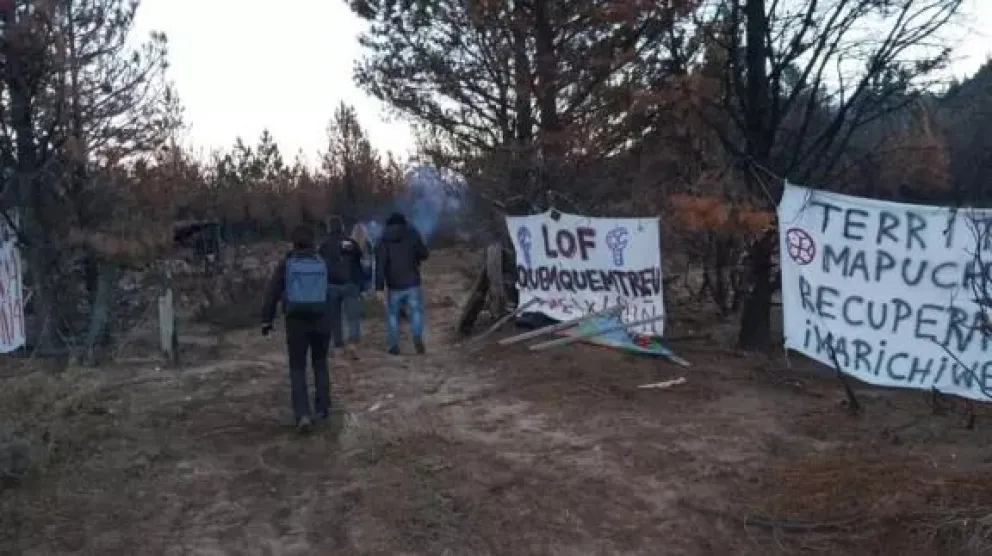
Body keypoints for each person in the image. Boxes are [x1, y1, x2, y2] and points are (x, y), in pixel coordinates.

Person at [261, 224, 331, 432]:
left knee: (298, 368)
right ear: (313, 242)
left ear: (293, 243)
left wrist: (267, 320)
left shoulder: (287, 264)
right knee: (320, 364)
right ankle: (323, 409)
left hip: (296, 322)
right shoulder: (321, 262)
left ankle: (302, 415)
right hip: (321, 319)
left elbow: (272, 292)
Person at [375, 212, 429, 354]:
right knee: (416, 311)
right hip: (412, 282)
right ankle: (417, 337)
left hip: (394, 285)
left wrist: (379, 288)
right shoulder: (412, 233)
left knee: (392, 315)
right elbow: (424, 254)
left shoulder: (383, 239)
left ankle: (393, 346)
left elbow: (380, 265)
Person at [319, 215, 364, 360]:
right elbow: (359, 260)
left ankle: (338, 346)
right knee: (353, 317)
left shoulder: (324, 245)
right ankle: (353, 345)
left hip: (331, 285)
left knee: (335, 318)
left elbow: (320, 266)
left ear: (329, 228)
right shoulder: (351, 242)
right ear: (342, 227)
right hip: (350, 284)